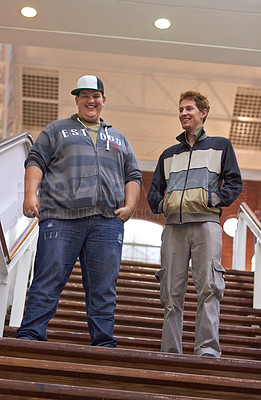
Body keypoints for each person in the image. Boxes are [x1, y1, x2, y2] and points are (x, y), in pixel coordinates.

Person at [17, 75, 142, 347]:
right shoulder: (57, 129)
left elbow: (133, 173)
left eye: (95, 95)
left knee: (103, 288)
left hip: (107, 223)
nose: (90, 100)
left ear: (103, 100)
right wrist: (30, 195)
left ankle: (103, 344)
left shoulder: (118, 137)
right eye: (84, 95)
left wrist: (130, 206)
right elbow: (35, 160)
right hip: (61, 219)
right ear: (76, 99)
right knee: (47, 280)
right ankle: (29, 337)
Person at [147, 90, 242, 357]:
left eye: (189, 108)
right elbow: (154, 191)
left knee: (209, 288)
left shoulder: (221, 146)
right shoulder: (168, 154)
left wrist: (212, 199)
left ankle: (207, 352)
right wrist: (164, 205)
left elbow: (234, 183)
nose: (184, 113)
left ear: (203, 113)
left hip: (206, 225)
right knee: (170, 293)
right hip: (173, 229)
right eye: (180, 109)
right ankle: (170, 352)